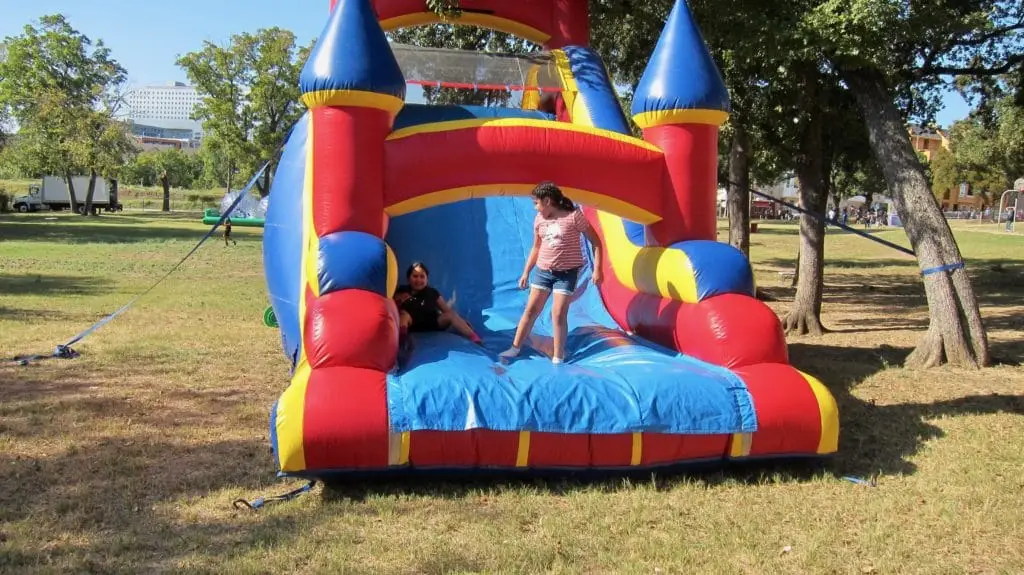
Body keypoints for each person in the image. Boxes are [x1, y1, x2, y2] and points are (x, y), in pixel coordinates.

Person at [499, 181, 604, 365]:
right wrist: (525, 272)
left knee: (558, 314)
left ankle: (558, 356)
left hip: (566, 274)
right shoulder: (539, 220)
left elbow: (596, 242)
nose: (535, 208)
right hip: (543, 272)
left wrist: (597, 269)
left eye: (536, 203)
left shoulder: (573, 216)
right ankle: (515, 347)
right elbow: (536, 247)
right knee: (530, 311)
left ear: (547, 201)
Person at [394, 262, 482, 345]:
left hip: (432, 323)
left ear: (427, 279)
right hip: (412, 324)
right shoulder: (402, 291)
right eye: (415, 276)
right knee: (404, 315)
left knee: (451, 315)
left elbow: (446, 310)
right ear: (408, 279)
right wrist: (398, 301)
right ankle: (402, 339)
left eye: (422, 277)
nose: (418, 280)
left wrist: (460, 321)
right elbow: (392, 309)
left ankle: (474, 338)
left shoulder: (432, 293)